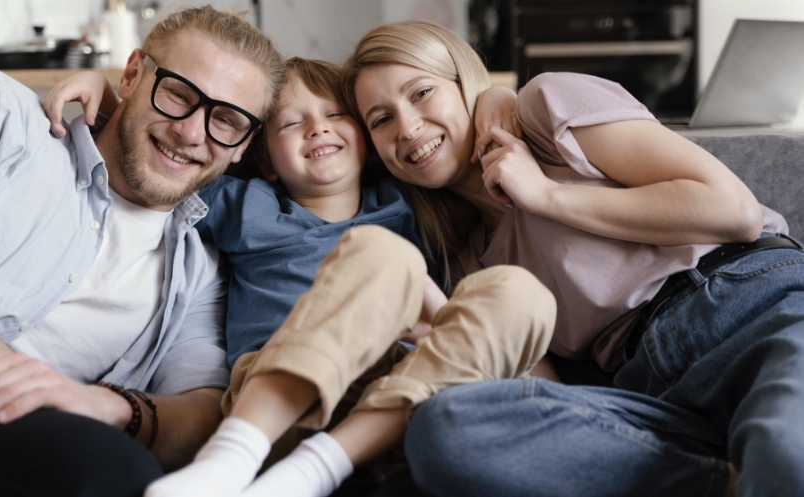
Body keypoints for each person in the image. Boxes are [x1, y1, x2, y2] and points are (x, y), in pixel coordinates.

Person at [44, 56, 557, 497]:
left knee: (523, 295)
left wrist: (494, 92)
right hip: (278, 391)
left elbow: (463, 156)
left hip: (401, 393)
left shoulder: (408, 202)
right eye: (292, 124)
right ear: (264, 158)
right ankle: (233, 455)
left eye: (336, 115)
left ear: (367, 138)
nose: (318, 128)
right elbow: (170, 157)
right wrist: (108, 93)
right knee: (382, 253)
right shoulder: (246, 203)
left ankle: (315, 471)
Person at [336, 20, 804, 497]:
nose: (408, 127)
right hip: (647, 394)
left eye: (421, 93)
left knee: (785, 454)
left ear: (464, 84)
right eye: (381, 119)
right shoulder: (465, 267)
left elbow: (736, 212)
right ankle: (726, 476)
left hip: (747, 307)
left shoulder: (544, 109)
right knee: (443, 430)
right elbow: (552, 399)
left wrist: (545, 195)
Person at [0, 6, 284, 496]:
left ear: (244, 144)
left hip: (24, 454)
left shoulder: (198, 272)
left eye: (227, 120)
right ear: (132, 75)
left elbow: (204, 410)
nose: (192, 133)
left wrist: (113, 408)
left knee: (123, 468)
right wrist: (35, 395)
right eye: (177, 93)